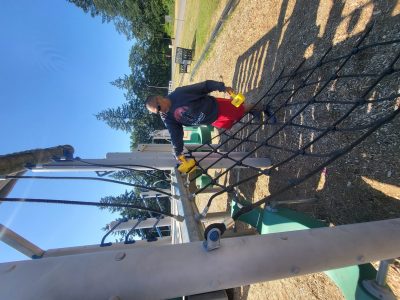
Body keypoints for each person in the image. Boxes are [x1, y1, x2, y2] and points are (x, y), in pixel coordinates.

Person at [145, 80, 274, 159]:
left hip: (216, 107)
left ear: (159, 98)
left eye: (158, 107)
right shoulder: (167, 117)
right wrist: (178, 152)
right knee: (233, 119)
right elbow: (175, 134)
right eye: (156, 112)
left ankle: (263, 108)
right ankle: (252, 111)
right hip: (211, 120)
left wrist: (222, 87)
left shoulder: (179, 94)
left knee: (239, 109)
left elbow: (204, 86)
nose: (160, 111)